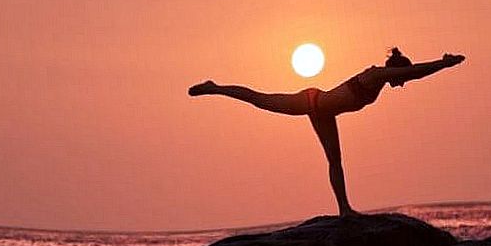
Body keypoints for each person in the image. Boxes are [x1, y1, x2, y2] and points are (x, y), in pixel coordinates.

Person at [188, 48, 466, 216]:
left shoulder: (380, 81)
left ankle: (344, 209)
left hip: (324, 111)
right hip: (312, 101)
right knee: (260, 99)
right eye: (401, 78)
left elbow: (412, 74)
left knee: (335, 160)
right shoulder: (376, 74)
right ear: (395, 72)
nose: (403, 84)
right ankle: (215, 87)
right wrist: (444, 63)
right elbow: (417, 72)